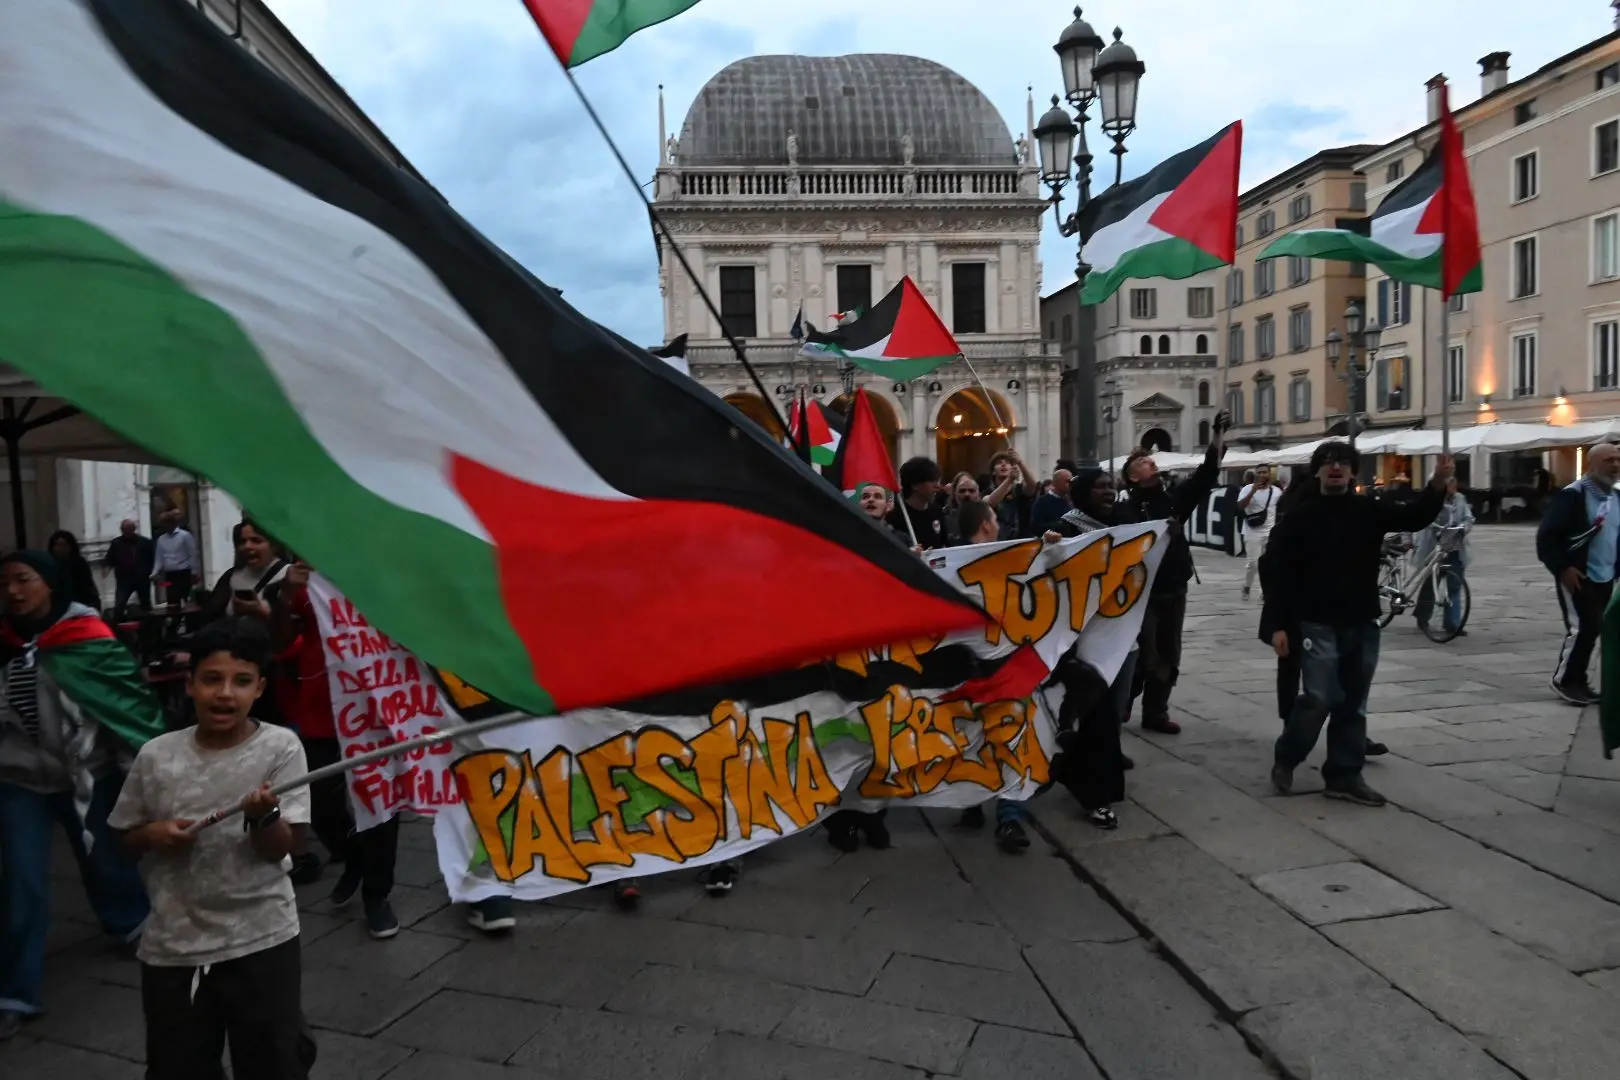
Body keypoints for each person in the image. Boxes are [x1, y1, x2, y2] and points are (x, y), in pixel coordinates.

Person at [109, 618, 317, 1079]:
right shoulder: (157, 755)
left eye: (241, 682)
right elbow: (123, 840)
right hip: (175, 944)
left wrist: (264, 818)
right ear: (190, 684)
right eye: (212, 679)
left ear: (260, 687)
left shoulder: (281, 748)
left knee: (274, 1061)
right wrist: (151, 835)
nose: (226, 694)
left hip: (263, 936)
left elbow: (285, 847)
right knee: (178, 1064)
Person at [0, 550, 161, 1041]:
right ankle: (15, 992)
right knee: (20, 882)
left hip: (88, 774)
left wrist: (139, 775)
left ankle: (130, 923)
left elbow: (123, 705)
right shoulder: (2, 642)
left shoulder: (87, 638)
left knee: (106, 859)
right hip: (18, 779)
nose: (12, 591)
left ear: (49, 583)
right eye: (4, 582)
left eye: (23, 580)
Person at [1264, 443, 1451, 806]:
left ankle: (1344, 774)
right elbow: (1277, 573)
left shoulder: (1368, 509)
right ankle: (1287, 756)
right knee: (1319, 697)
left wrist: (1437, 483)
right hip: (1316, 620)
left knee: (1353, 702)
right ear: (1317, 471)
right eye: (1328, 463)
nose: (1335, 468)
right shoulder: (1300, 516)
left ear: (1352, 473)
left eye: (1343, 463)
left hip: (1362, 620)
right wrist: (1279, 625)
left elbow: (1414, 516)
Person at [270, 561, 401, 937]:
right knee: (320, 800)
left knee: (379, 800)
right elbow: (280, 642)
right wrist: (283, 597)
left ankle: (378, 894)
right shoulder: (309, 574)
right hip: (320, 710)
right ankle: (354, 855)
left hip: (373, 707)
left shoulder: (385, 572)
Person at [1115, 412, 1230, 734]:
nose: (1150, 463)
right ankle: (1123, 702)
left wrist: (1218, 436)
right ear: (1132, 477)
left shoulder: (1173, 499)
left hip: (1174, 587)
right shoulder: (1125, 509)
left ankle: (1156, 712)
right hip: (1143, 592)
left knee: (1169, 653)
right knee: (1142, 654)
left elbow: (1206, 476)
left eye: (1151, 461)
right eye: (1142, 463)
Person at [1258, 477, 1387, 759]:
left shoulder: (1335, 514)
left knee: (1343, 682)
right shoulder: (1298, 518)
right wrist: (1278, 621)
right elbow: (1271, 568)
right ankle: (1292, 732)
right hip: (1297, 611)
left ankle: (1349, 740)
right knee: (1301, 679)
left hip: (1331, 611)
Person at [1042, 467, 1133, 828]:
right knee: (1093, 715)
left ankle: (1098, 784)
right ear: (1083, 494)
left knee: (1109, 712)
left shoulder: (1125, 523)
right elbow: (1044, 567)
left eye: (1111, 486)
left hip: (1117, 635)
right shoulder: (1066, 527)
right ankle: (1093, 794)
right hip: (1077, 640)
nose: (1109, 492)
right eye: (1100, 487)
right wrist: (1049, 546)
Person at [952, 500, 1032, 852]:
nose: (998, 524)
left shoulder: (950, 560)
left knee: (973, 740)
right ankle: (1004, 816)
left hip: (968, 668)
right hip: (996, 666)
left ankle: (990, 810)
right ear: (985, 525)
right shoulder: (994, 559)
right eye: (995, 518)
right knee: (1006, 741)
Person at [1536, 443, 1620, 705]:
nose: (1615, 465)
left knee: (1595, 628)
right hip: (1577, 573)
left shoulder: (1615, 497)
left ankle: (1579, 680)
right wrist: (1562, 568)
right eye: (1609, 460)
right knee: (1582, 627)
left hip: (1605, 574)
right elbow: (1547, 536)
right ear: (1591, 464)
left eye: (1618, 460)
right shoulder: (1573, 495)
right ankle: (1564, 680)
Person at [1413, 476, 1474, 637]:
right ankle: (1422, 617)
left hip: (1454, 547)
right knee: (1430, 584)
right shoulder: (1434, 499)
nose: (1453, 485)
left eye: (1454, 482)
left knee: (1455, 585)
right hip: (1435, 546)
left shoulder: (1460, 499)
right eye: (1450, 482)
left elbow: (1468, 517)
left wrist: (1464, 527)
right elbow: (1425, 516)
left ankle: (1452, 624)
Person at [205, 519, 291, 625]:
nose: (247, 546)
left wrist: (262, 612)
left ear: (274, 546)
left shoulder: (290, 576)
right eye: (243, 541)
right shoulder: (231, 576)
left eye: (256, 540)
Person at [1236, 465, 1281, 601]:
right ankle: (1247, 585)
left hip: (1270, 531)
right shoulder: (1247, 489)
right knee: (1253, 563)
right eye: (1259, 472)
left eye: (1264, 472)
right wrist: (1252, 492)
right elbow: (1240, 506)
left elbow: (1281, 509)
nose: (1262, 475)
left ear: (1269, 474)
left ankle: (1264, 591)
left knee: (1268, 563)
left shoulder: (1277, 492)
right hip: (1252, 532)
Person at [887, 458, 949, 550]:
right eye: (932, 481)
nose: (937, 486)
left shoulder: (937, 511)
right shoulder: (895, 515)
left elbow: (945, 544)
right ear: (915, 485)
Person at [104, 518, 155, 622]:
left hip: (142, 578)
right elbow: (110, 559)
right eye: (123, 529)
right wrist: (106, 569)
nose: (125, 531)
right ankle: (118, 629)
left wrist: (153, 573)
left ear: (133, 529)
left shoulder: (145, 542)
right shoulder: (116, 543)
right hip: (124, 579)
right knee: (120, 604)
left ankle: (149, 629)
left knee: (145, 604)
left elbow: (153, 558)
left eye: (127, 529)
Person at [150, 510, 201, 607]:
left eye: (167, 522)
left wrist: (194, 572)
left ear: (173, 523)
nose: (165, 526)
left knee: (185, 599)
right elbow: (159, 558)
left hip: (184, 573)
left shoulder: (185, 536)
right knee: (172, 600)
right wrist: (154, 573)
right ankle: (175, 620)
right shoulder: (161, 539)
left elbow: (193, 554)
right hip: (169, 575)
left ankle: (186, 620)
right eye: (163, 523)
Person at [989, 449, 1039, 540]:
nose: (1003, 464)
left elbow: (1032, 484)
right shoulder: (988, 492)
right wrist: (1009, 480)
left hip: (1022, 542)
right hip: (999, 544)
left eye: (1007, 463)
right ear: (993, 471)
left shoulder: (1019, 490)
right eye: (999, 463)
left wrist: (1020, 462)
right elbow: (991, 502)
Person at [47, 530, 102, 612]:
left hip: (79, 605)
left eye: (63, 545)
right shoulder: (48, 564)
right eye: (57, 545)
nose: (59, 548)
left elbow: (87, 586)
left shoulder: (79, 563)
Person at [1029, 467, 1075, 536]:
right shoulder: (1042, 501)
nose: (1070, 485)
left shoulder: (1072, 500)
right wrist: (1060, 525)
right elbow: (1036, 527)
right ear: (1056, 483)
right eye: (1067, 481)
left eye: (1071, 482)